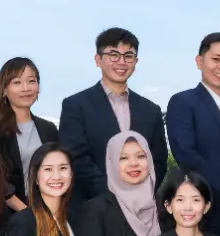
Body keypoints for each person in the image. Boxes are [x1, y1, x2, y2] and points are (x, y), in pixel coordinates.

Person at [59, 27, 167, 201]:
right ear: (98, 60)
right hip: (93, 206)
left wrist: (140, 195)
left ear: (135, 62)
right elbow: (76, 158)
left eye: (128, 56)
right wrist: (114, 196)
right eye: (113, 55)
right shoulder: (75, 105)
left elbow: (158, 161)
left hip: (141, 207)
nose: (121, 62)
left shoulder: (151, 110)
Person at [165, 32, 220, 234]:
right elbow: (186, 153)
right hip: (204, 210)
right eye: (216, 59)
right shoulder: (183, 103)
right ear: (199, 61)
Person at [0, 56, 58, 213]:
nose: (26, 88)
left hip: (47, 211)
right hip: (7, 214)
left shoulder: (49, 129)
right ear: (4, 90)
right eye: (17, 82)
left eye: (31, 81)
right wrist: (25, 212)